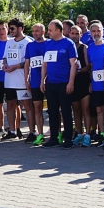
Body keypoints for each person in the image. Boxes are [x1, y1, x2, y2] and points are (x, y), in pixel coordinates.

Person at [40, 20, 78, 148]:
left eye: (50, 30)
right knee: (52, 112)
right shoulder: (48, 44)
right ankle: (54, 138)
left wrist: (71, 82)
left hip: (64, 83)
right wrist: (42, 80)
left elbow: (73, 65)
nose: (48, 32)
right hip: (51, 83)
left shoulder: (68, 44)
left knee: (66, 111)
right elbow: (44, 64)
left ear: (58, 30)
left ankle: (68, 138)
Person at [3, 18, 33, 139]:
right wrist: (5, 64)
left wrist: (16, 66)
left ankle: (32, 132)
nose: (10, 31)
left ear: (21, 28)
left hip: (22, 80)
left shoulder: (28, 42)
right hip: (9, 80)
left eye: (12, 28)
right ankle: (12, 131)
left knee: (27, 106)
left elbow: (28, 62)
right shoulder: (9, 42)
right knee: (10, 105)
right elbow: (5, 57)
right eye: (10, 28)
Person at [87, 22, 104, 147]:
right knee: (99, 110)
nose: (96, 33)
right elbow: (90, 66)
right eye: (94, 31)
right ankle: (102, 134)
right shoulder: (89, 47)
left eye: (98, 31)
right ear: (90, 33)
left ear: (103, 31)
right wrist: (91, 81)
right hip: (96, 84)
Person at [23, 23, 48, 145]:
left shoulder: (49, 44)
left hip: (50, 81)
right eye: (33, 31)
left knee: (54, 109)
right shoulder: (30, 45)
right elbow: (27, 63)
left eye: (37, 31)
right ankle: (40, 134)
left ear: (43, 32)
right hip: (35, 81)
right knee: (37, 108)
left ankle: (57, 133)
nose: (34, 33)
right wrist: (26, 79)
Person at [70, 25, 92, 146]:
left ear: (81, 35)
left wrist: (79, 70)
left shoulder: (84, 48)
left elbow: (88, 66)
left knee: (86, 110)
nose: (74, 36)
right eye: (72, 33)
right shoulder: (68, 47)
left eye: (77, 33)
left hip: (83, 81)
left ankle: (87, 135)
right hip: (73, 83)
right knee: (76, 111)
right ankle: (79, 133)